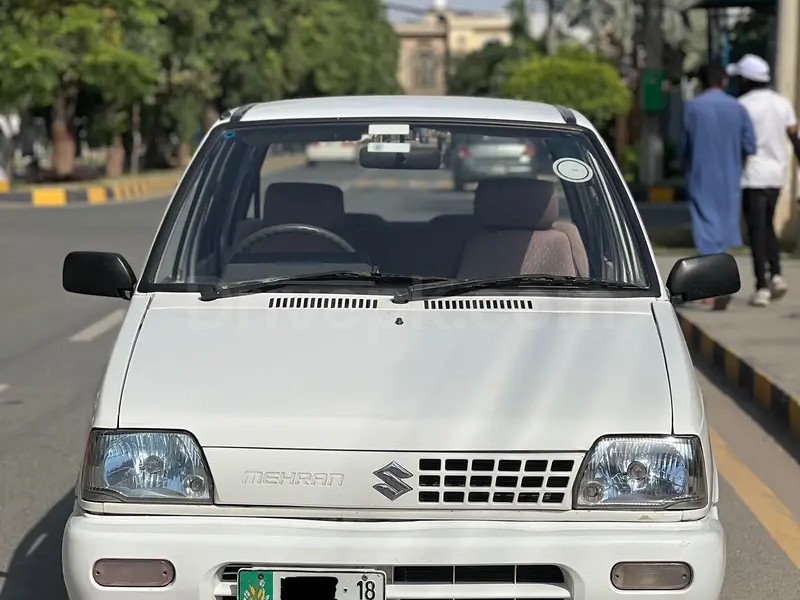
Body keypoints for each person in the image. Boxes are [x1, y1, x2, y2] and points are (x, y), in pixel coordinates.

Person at [681, 60, 757, 310]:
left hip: (701, 175)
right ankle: (720, 283)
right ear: (724, 81)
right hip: (729, 176)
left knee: (705, 230)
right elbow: (750, 145)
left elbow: (684, 145)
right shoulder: (737, 108)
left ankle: (710, 289)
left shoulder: (693, 108)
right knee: (723, 230)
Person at [726, 54, 800, 307]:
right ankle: (776, 274)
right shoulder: (783, 103)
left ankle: (762, 286)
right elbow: (794, 138)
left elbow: (737, 144)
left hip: (751, 176)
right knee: (767, 225)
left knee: (757, 230)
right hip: (776, 176)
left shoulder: (741, 105)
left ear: (746, 80)